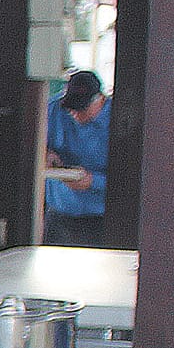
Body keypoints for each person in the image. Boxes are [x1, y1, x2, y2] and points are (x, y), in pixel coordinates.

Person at [44, 70, 110, 247]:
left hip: (101, 219)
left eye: (82, 108)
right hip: (58, 215)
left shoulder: (120, 120)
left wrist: (93, 182)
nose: (74, 113)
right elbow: (33, 145)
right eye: (71, 107)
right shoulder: (53, 110)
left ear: (100, 99)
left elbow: (131, 178)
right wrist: (46, 154)